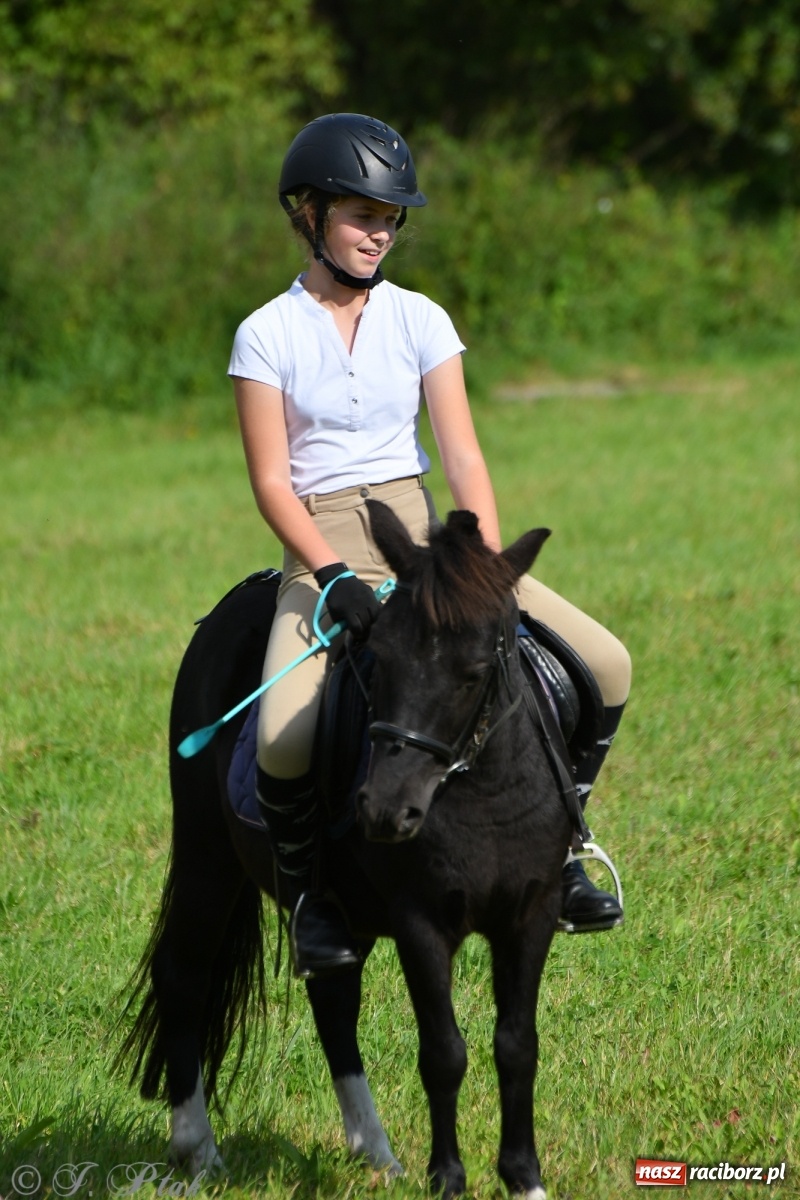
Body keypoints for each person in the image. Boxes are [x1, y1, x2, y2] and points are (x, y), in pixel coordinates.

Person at [228, 113, 631, 979]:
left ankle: (561, 848)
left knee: (607, 662)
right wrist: (329, 575)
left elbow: (463, 454)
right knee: (284, 737)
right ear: (309, 214)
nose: (379, 232)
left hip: (428, 539)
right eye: (360, 214)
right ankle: (313, 900)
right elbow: (270, 481)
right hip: (325, 539)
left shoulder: (421, 319)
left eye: (391, 217)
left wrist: (478, 560)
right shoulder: (267, 333)